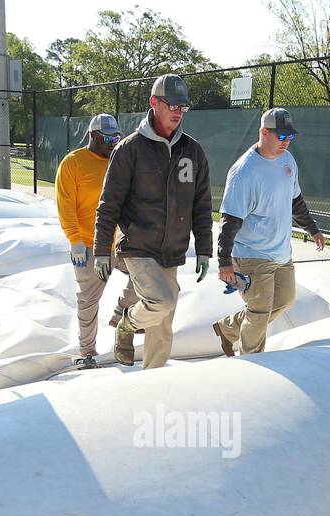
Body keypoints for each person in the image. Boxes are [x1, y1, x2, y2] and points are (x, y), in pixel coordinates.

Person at [92, 74, 213, 369]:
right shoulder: (130, 150)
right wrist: (100, 250)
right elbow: (108, 205)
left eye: (182, 106)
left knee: (163, 324)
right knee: (163, 302)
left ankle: (154, 379)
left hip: (171, 249)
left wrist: (205, 249)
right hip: (138, 245)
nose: (177, 111)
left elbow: (202, 205)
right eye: (171, 104)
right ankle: (127, 323)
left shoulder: (192, 151)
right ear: (154, 103)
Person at [213, 108, 325, 356]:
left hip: (281, 253)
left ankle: (228, 328)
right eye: (281, 136)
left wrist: (312, 229)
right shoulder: (244, 172)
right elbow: (229, 221)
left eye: (290, 138)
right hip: (252, 254)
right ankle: (252, 366)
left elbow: (295, 200)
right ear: (264, 132)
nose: (286, 142)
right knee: (260, 310)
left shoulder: (288, 161)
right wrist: (224, 263)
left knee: (285, 301)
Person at [55, 114, 139, 369]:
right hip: (89, 246)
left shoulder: (117, 161)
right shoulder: (73, 163)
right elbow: (65, 205)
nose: (113, 143)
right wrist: (75, 240)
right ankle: (87, 353)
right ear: (92, 136)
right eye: (108, 138)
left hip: (118, 243)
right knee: (88, 300)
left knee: (146, 276)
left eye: (117, 137)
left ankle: (120, 316)